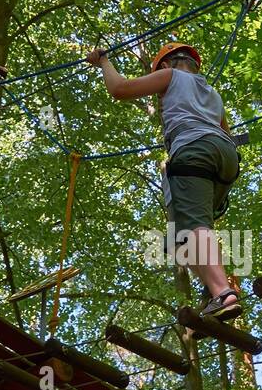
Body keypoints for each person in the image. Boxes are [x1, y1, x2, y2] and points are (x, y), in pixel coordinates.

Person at [85, 41, 243, 319]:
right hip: (226, 159)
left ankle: (222, 292)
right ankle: (212, 287)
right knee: (179, 241)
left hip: (194, 152)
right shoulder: (212, 93)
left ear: (167, 64)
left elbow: (119, 89)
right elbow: (225, 133)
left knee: (195, 225)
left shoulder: (170, 75)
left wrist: (104, 61)